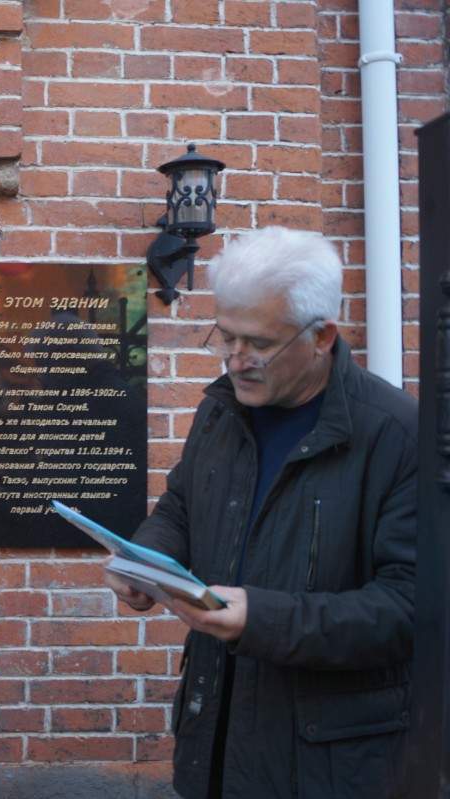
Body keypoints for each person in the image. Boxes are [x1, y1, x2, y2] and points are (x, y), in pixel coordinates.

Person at [107, 227, 416, 798]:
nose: (235, 360)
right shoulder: (221, 412)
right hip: (214, 744)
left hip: (327, 767)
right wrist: (148, 556)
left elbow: (408, 610)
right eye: (225, 336)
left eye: (258, 343)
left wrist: (261, 619)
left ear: (322, 336)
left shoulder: (396, 435)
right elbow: (181, 505)